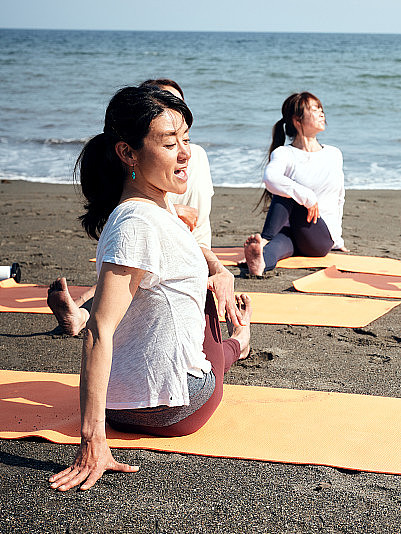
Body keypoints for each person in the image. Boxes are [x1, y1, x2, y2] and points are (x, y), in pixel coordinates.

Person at [49, 86, 252, 492]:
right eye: (169, 142)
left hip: (121, 404)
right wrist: (93, 442)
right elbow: (99, 331)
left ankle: (237, 341)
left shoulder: (147, 210)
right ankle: (239, 343)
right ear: (128, 153)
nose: (185, 153)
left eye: (187, 140)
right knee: (215, 311)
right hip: (174, 410)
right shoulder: (138, 222)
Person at [47, 78, 243, 335]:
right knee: (126, 277)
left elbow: (195, 218)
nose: (171, 113)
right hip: (166, 266)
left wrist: (218, 267)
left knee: (125, 279)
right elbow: (101, 333)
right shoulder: (139, 207)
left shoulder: (187, 160)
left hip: (192, 253)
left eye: (176, 106)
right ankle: (81, 314)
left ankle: (80, 313)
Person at [243, 92, 347, 276]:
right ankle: (260, 263)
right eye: (314, 109)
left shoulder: (334, 154)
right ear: (297, 120)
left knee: (288, 193)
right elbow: (270, 178)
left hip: (320, 238)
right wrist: (308, 197)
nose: (322, 113)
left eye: (321, 109)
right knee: (276, 248)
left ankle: (265, 239)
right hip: (292, 233)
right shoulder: (284, 153)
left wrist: (337, 240)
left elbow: (339, 198)